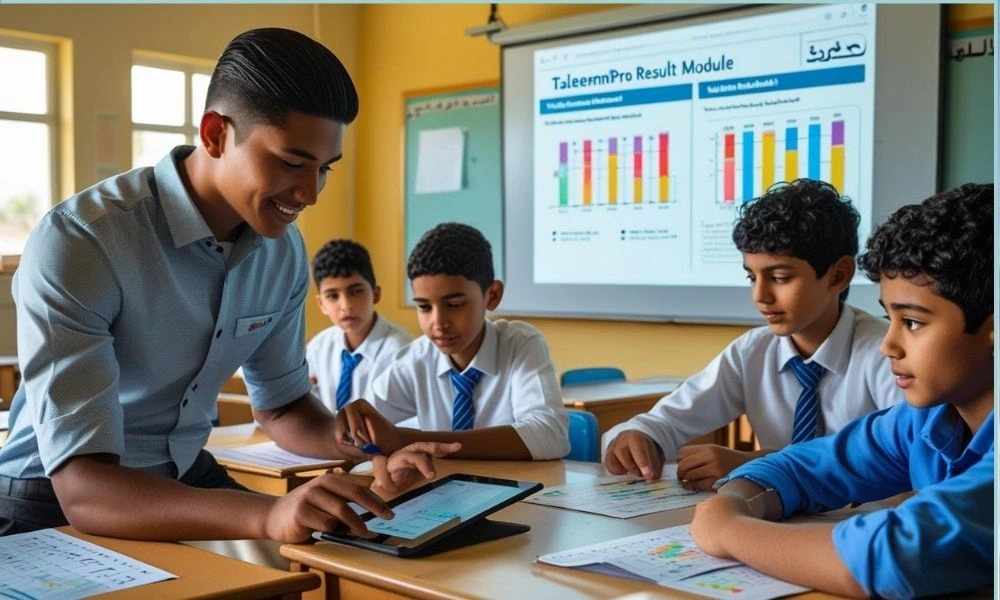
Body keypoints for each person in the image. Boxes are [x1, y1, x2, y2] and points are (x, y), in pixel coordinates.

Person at [0, 27, 455, 542]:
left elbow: (282, 406)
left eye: (324, 169)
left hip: (183, 476)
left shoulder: (282, 250)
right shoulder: (83, 241)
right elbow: (85, 490)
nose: (309, 193)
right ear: (215, 134)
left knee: (343, 548)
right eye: (291, 163)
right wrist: (267, 515)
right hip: (55, 494)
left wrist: (357, 442)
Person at [690, 183, 994, 598]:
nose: (889, 345)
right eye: (890, 318)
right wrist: (737, 499)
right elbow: (800, 467)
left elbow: (891, 556)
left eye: (914, 322)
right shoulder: (924, 420)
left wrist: (730, 530)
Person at [604, 179, 900, 489]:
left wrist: (762, 464)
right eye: (751, 277)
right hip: (774, 520)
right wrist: (640, 435)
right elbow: (669, 418)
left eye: (780, 277)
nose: (760, 296)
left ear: (838, 275)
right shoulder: (752, 352)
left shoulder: (888, 355)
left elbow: (900, 460)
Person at [337, 222, 569, 460]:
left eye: (455, 305)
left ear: (492, 295)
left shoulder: (520, 345)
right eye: (424, 307)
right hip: (442, 492)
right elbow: (362, 430)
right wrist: (356, 425)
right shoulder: (415, 360)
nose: (438, 322)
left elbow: (549, 435)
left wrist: (408, 440)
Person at [307, 239, 412, 413]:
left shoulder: (400, 352)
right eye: (333, 296)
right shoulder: (319, 347)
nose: (346, 305)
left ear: (375, 294)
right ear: (321, 304)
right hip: (327, 438)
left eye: (355, 291)